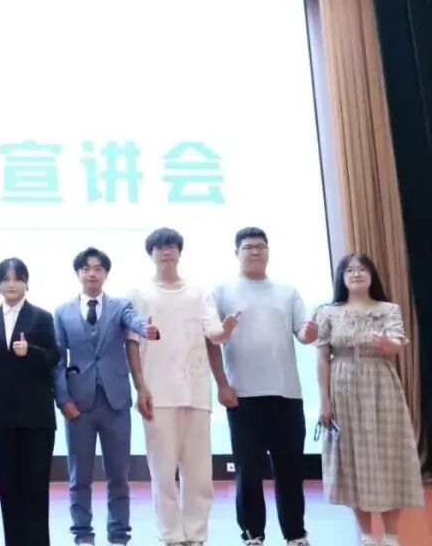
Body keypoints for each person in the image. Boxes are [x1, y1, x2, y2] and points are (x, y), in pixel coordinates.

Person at [125, 228, 238, 546]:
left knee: (199, 472)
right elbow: (132, 343)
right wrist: (140, 387)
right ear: (151, 254)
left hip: (196, 391)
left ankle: (196, 534)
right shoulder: (139, 293)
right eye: (160, 247)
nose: (166, 252)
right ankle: (171, 535)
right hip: (159, 394)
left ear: (179, 252)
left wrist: (226, 330)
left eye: (172, 246)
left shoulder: (199, 293)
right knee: (162, 473)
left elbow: (214, 335)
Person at [208, 228, 316, 546]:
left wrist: (310, 332)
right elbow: (212, 341)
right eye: (248, 247)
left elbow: (302, 333)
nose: (255, 251)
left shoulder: (287, 291)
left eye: (260, 246)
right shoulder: (222, 291)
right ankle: (252, 533)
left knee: (290, 469)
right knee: (249, 471)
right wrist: (222, 385)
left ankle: (295, 534)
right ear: (237, 253)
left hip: (287, 394)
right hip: (243, 395)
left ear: (268, 251)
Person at [316, 252, 424, 546]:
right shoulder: (328, 312)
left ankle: (390, 535)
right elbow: (323, 358)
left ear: (371, 275)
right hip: (342, 389)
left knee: (390, 456)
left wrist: (386, 343)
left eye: (362, 269)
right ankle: (366, 534)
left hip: (381, 387)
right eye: (349, 270)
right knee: (352, 460)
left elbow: (396, 347)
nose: (356, 274)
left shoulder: (388, 310)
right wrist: (325, 401)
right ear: (342, 278)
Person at [54, 247, 159, 546]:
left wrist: (146, 328)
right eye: (86, 268)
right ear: (78, 273)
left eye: (98, 268)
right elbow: (58, 360)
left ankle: (119, 535)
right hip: (79, 404)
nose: (92, 273)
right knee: (79, 477)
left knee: (119, 475)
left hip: (116, 402)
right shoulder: (62, 312)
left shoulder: (120, 306)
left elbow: (135, 321)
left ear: (106, 274)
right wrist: (63, 399)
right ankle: (82, 534)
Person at [0, 258, 59, 546]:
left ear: (27, 282)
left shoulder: (41, 317)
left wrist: (31, 352)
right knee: (8, 489)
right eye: (5, 279)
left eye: (17, 278)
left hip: (36, 418)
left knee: (35, 489)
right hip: (1, 418)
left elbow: (54, 356)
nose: (11, 284)